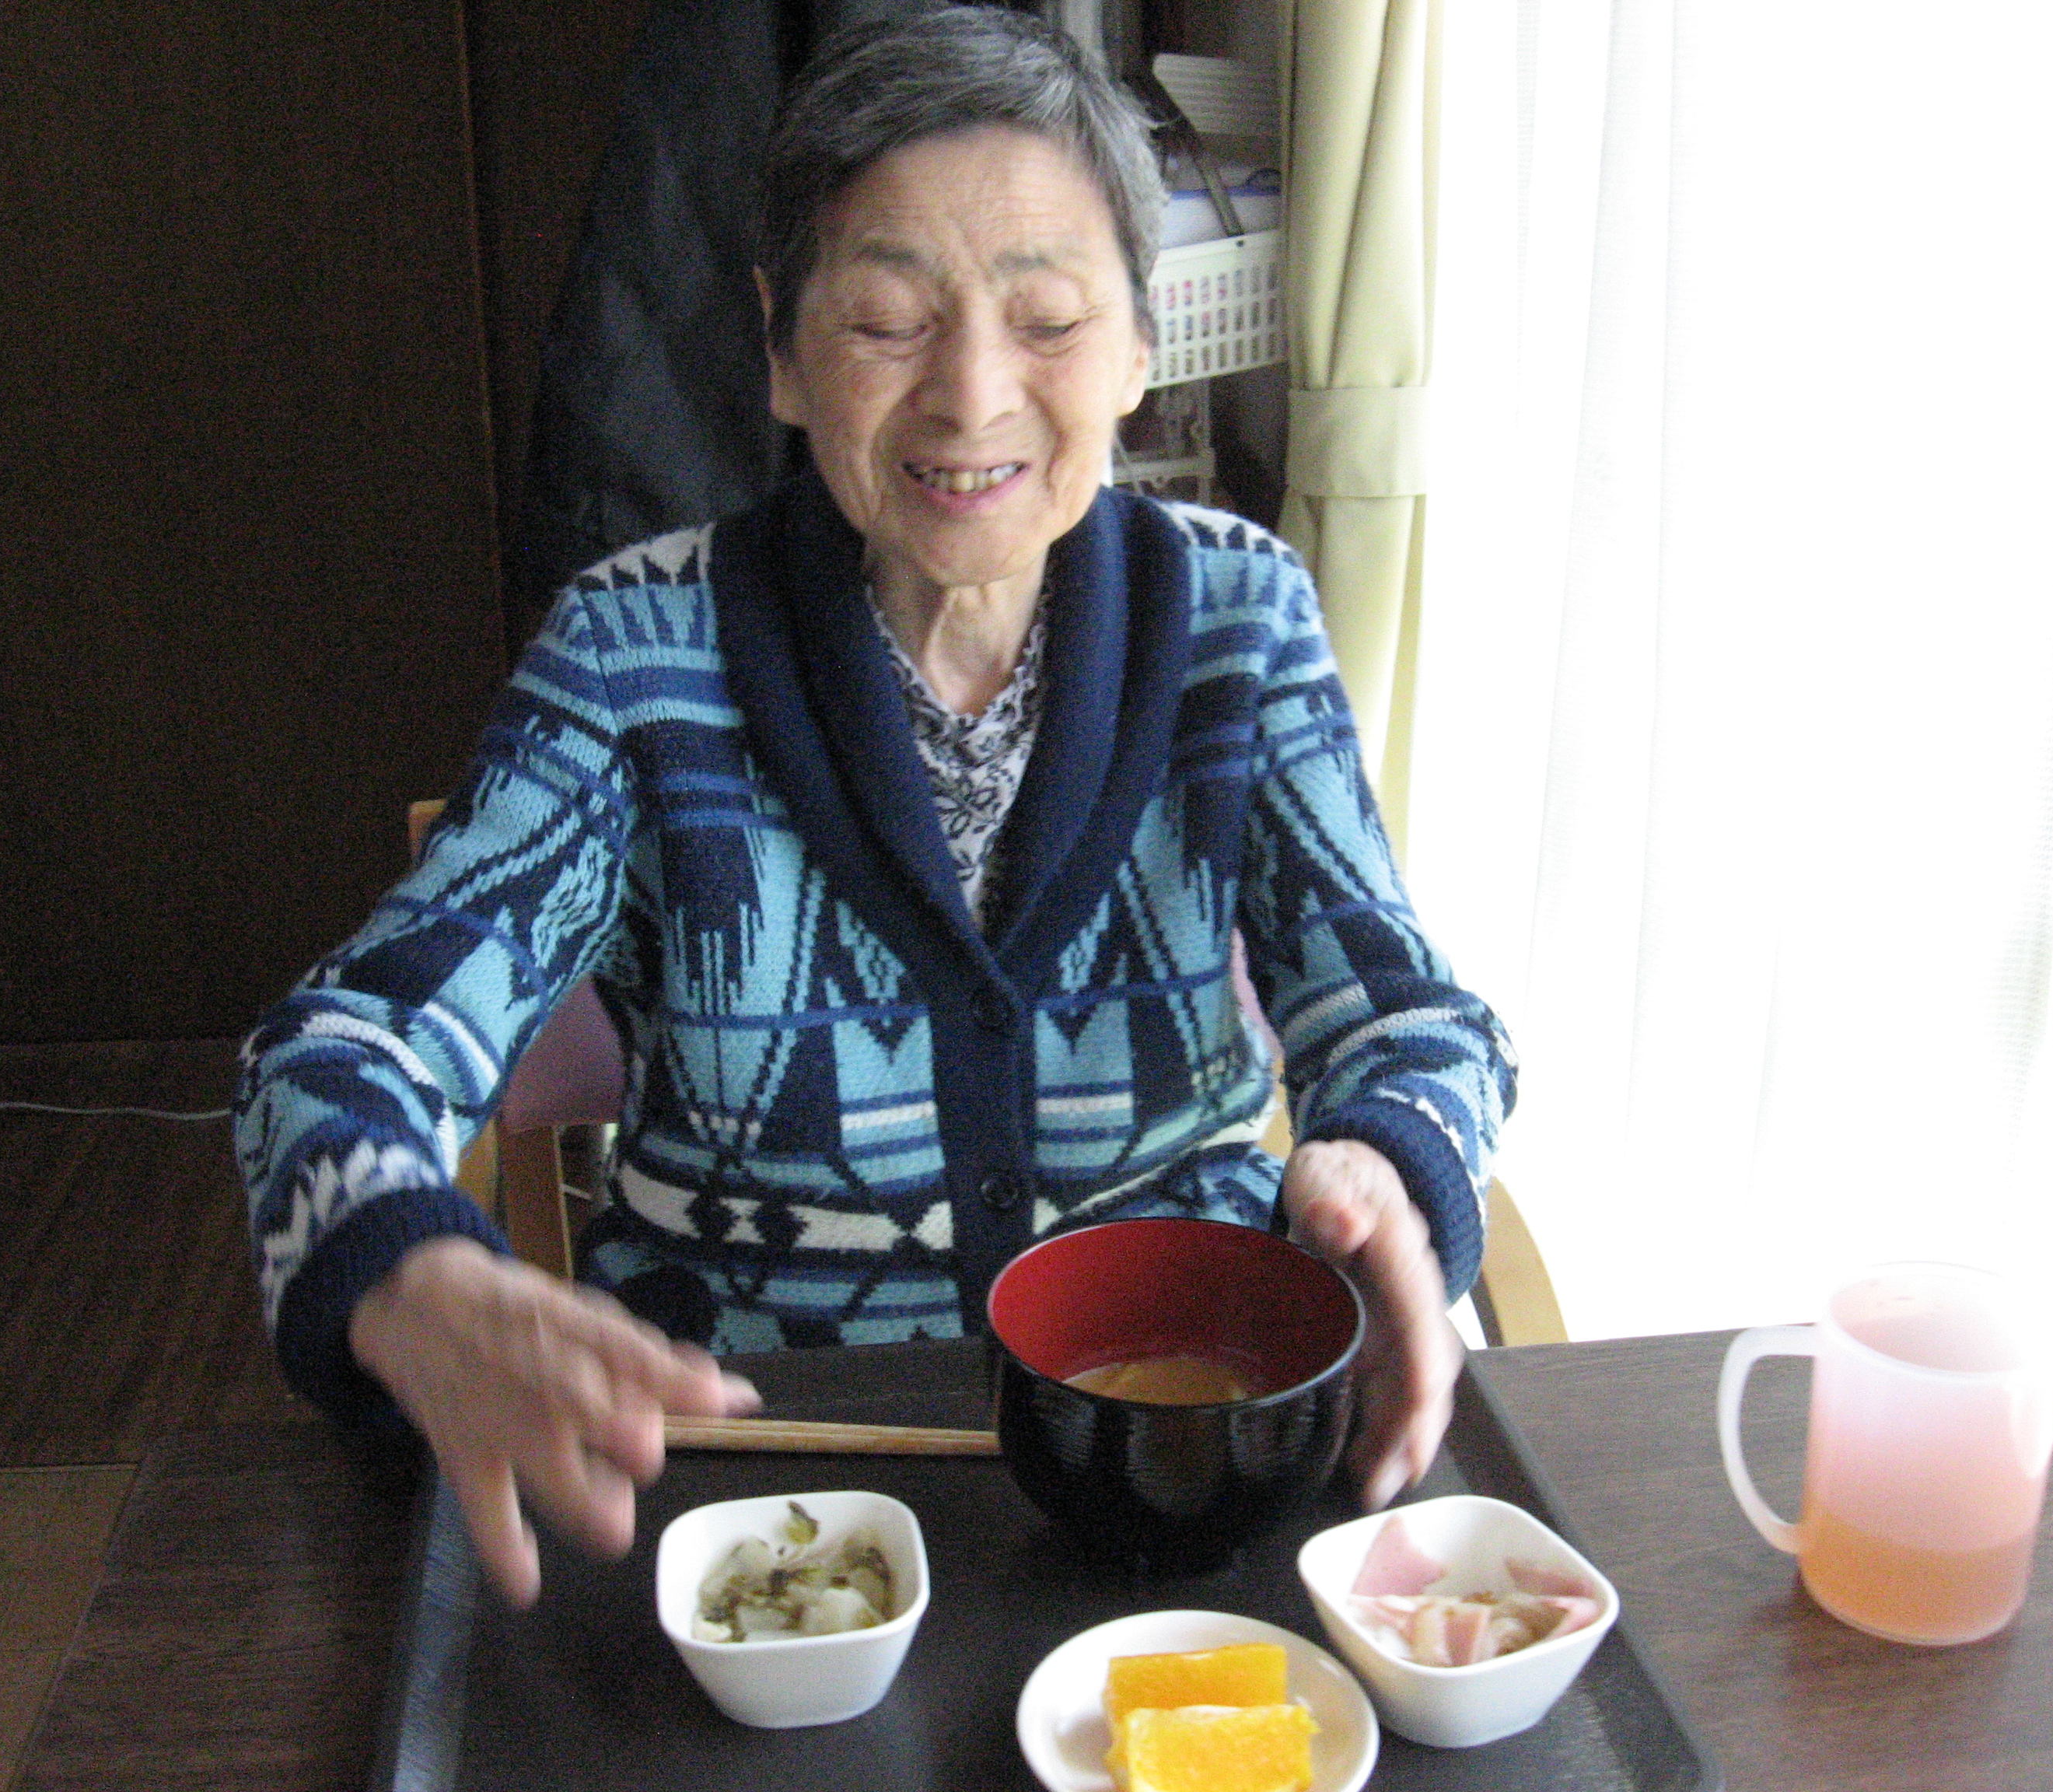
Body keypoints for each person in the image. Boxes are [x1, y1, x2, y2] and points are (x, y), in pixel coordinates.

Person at [236, 6, 1515, 1609]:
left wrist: (1390, 1168)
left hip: (1179, 1464)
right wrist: (406, 1265)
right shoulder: (638, 655)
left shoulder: (1238, 624)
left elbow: (1413, 1020)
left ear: (1141, 341)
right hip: (757, 1499)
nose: (971, 397)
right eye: (889, 319)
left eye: (1048, 318)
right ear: (781, 349)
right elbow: (340, 1050)